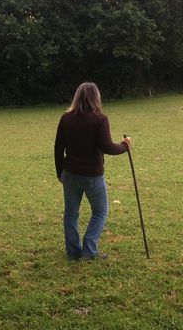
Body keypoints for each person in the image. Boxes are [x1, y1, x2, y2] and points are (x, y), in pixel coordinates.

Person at [54, 82, 131, 260]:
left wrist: (60, 172)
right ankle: (89, 250)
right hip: (92, 176)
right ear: (96, 97)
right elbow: (107, 147)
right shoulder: (100, 119)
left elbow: (58, 148)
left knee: (71, 213)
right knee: (100, 211)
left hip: (70, 173)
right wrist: (125, 146)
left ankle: (73, 252)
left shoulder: (66, 118)